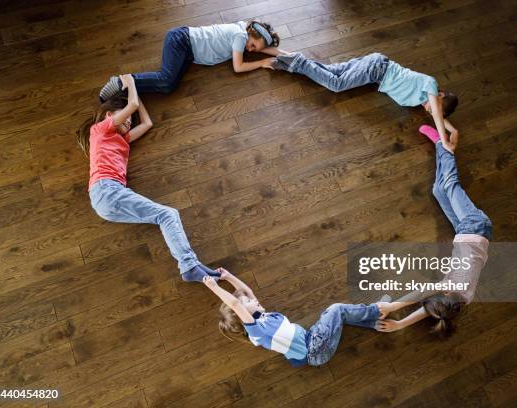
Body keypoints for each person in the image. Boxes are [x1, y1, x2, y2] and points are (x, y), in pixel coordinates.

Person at [78, 74, 219, 282]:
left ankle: (191, 265)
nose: (128, 120)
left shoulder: (122, 139)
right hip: (107, 190)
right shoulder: (99, 130)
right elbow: (132, 104)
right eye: (125, 116)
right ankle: (189, 265)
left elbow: (147, 123)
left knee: (163, 216)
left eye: (129, 119)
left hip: (106, 201)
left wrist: (139, 99)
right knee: (168, 215)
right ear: (109, 115)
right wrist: (131, 84)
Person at [375, 125, 492, 338]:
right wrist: (392, 309)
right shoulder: (454, 286)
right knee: (449, 184)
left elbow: (437, 310)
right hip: (475, 224)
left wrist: (401, 324)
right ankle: (442, 143)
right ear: (445, 294)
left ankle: (441, 148)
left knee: (438, 191)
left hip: (464, 233)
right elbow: (422, 293)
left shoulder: (461, 299)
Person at [273, 52, 459, 152]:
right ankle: (300, 61)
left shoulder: (423, 98)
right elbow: (436, 112)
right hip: (378, 69)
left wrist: (453, 131)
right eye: (435, 106)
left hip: (375, 68)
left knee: (332, 71)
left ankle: (286, 61)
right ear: (440, 95)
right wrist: (444, 142)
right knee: (336, 84)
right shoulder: (431, 85)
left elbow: (437, 115)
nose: (429, 109)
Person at [204, 269, 391, 366]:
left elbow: (247, 291)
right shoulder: (257, 332)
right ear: (242, 315)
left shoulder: (261, 317)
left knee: (336, 316)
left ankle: (375, 322)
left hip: (313, 339)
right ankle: (377, 310)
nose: (251, 299)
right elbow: (236, 304)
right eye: (247, 302)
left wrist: (228, 277)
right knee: (336, 310)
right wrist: (214, 288)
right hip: (314, 350)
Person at [98, 21, 285, 101]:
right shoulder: (240, 36)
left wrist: (283, 54)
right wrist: (261, 63)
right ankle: (121, 81)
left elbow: (264, 46)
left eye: (255, 50)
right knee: (165, 80)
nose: (250, 50)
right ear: (250, 34)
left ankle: (128, 87)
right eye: (252, 45)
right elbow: (238, 67)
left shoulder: (246, 30)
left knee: (167, 87)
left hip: (188, 51)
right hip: (182, 41)